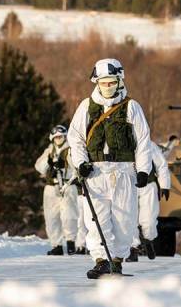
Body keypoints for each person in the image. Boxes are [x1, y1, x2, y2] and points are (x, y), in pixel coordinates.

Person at [67, 58, 151, 278]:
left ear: (119, 80)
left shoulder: (132, 107)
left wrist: (143, 170)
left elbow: (142, 140)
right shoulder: (86, 106)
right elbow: (75, 137)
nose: (108, 86)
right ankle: (101, 260)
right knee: (95, 219)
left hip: (123, 171)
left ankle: (117, 259)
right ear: (97, 82)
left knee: (124, 219)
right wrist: (81, 163)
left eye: (111, 82)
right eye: (103, 82)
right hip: (95, 172)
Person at [34, 125, 78, 255]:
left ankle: (71, 242)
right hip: (51, 187)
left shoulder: (70, 149)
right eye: (56, 137)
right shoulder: (50, 150)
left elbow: (76, 167)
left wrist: (65, 168)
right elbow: (39, 166)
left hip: (67, 185)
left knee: (69, 216)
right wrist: (48, 163)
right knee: (51, 217)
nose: (58, 139)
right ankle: (56, 245)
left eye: (61, 136)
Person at [127, 140, 171, 262]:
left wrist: (165, 185)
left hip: (148, 186)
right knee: (130, 219)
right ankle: (133, 248)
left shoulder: (149, 145)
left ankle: (148, 240)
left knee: (148, 221)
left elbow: (161, 165)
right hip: (129, 186)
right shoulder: (123, 144)